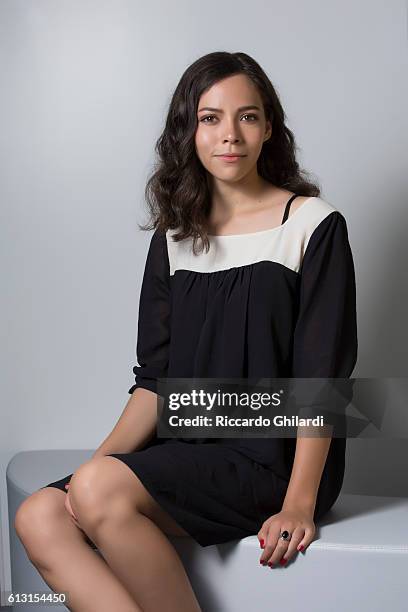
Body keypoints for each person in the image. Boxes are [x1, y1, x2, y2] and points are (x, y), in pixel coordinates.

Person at [14, 51, 358, 611]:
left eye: (247, 117)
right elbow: (153, 383)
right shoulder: (174, 238)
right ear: (189, 132)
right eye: (210, 118)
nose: (230, 135)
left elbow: (322, 381)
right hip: (186, 447)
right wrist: (86, 474)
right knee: (39, 514)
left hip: (272, 460)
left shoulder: (312, 225)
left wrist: (299, 502)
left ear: (269, 128)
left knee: (96, 488)